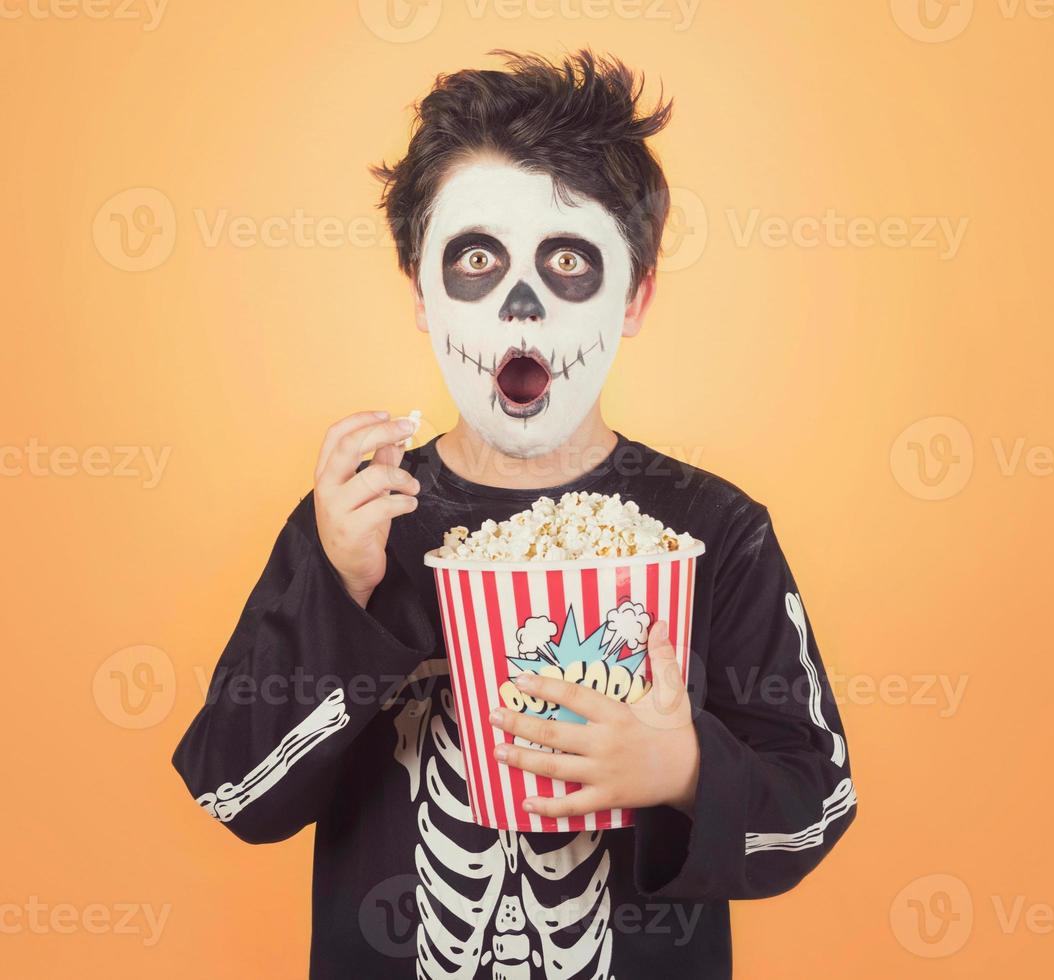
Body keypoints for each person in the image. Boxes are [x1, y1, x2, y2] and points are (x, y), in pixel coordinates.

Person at [173, 50, 855, 979]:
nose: (521, 303)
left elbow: (814, 804)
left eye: (569, 259)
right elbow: (234, 789)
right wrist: (341, 588)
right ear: (421, 290)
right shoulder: (361, 522)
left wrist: (688, 771)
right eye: (479, 258)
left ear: (634, 297)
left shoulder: (714, 532)